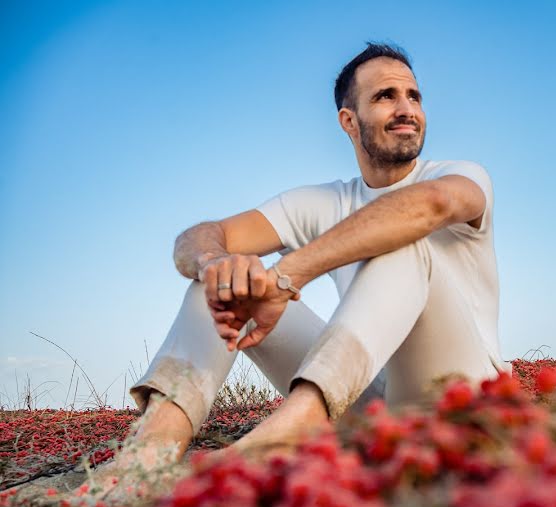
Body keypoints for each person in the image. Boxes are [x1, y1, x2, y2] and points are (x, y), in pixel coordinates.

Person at [115, 43, 508, 472]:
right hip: (373, 405)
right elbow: (198, 237)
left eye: (413, 96)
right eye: (385, 97)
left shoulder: (461, 175)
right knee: (221, 284)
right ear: (348, 121)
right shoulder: (324, 200)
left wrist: (286, 276)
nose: (406, 109)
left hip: (464, 395)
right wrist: (215, 263)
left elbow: (428, 205)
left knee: (404, 241)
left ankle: (294, 428)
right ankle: (151, 452)